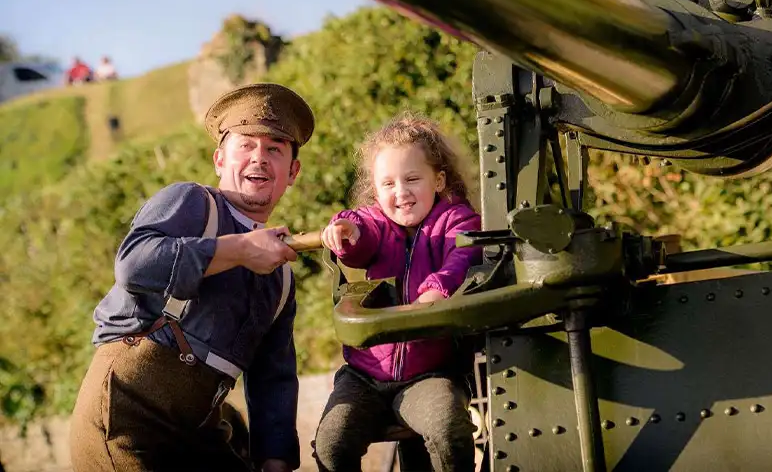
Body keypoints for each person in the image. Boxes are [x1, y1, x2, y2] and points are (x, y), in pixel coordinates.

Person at [70, 83, 315, 472]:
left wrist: (276, 459)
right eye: (245, 146)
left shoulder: (280, 276)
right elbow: (133, 265)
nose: (259, 158)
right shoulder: (192, 203)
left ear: (293, 172)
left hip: (200, 430)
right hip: (128, 417)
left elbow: (274, 378)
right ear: (220, 159)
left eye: (275, 149)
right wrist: (240, 250)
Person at [313, 113, 482, 472]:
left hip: (430, 373)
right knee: (332, 443)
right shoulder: (378, 223)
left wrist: (436, 290)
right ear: (376, 192)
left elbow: (464, 255)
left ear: (438, 180)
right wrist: (346, 229)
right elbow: (361, 233)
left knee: (448, 430)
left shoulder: (456, 220)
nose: (401, 192)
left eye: (412, 179)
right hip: (365, 376)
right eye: (388, 184)